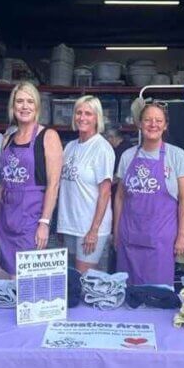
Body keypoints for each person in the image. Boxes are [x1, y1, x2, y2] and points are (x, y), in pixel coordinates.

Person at [113, 103, 184, 286]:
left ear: (165, 125)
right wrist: (116, 231)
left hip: (161, 241)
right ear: (139, 124)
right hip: (129, 238)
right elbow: (120, 197)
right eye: (148, 120)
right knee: (128, 297)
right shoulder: (127, 156)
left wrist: (181, 235)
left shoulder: (176, 155)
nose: (153, 124)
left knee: (157, 295)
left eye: (158, 121)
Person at [0, 82, 63, 275]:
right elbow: (2, 182)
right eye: (19, 101)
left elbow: (53, 184)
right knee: (11, 274)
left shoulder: (48, 136)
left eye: (29, 101)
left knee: (28, 277)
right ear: (12, 106)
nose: (24, 106)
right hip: (7, 217)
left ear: (37, 106)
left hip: (31, 218)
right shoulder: (8, 139)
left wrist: (44, 223)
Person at [58, 96, 115, 272]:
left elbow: (105, 193)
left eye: (88, 113)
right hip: (69, 224)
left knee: (84, 280)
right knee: (72, 278)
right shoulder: (70, 147)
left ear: (97, 118)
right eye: (79, 112)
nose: (82, 117)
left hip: (89, 227)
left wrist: (94, 231)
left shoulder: (102, 148)